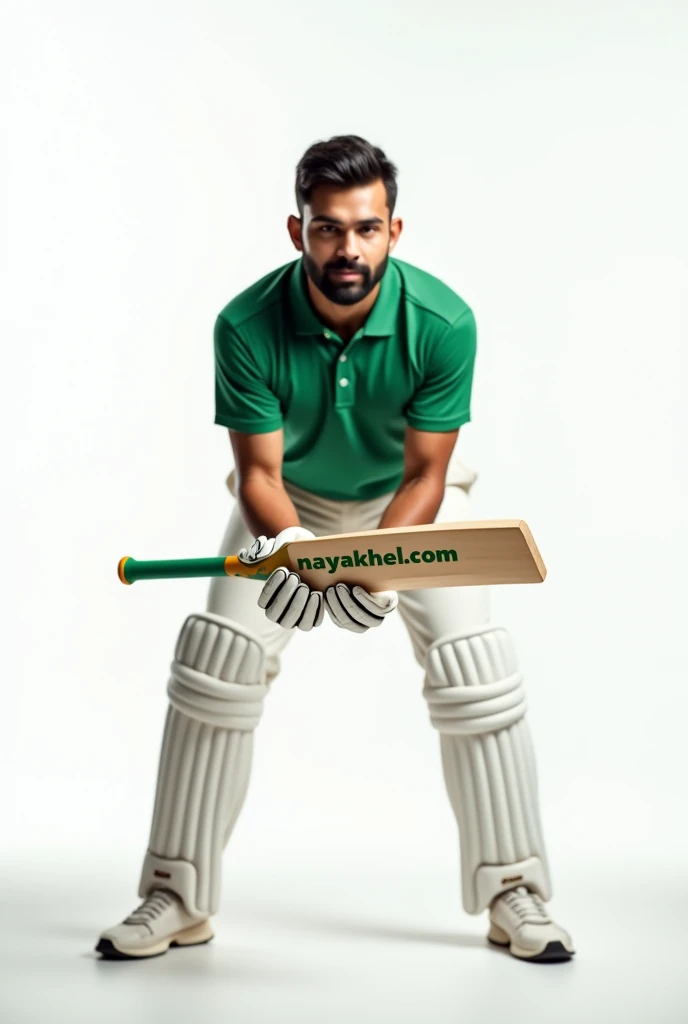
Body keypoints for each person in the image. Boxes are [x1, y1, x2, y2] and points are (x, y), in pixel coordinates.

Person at [96, 135, 575, 964]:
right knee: (217, 663)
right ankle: (175, 894)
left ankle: (515, 893)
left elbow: (430, 469)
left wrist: (374, 569)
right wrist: (291, 551)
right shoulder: (246, 323)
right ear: (297, 230)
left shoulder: (444, 321)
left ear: (395, 230)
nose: (346, 248)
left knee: (476, 668)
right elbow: (256, 472)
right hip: (291, 502)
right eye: (327, 228)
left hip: (413, 502)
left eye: (365, 228)